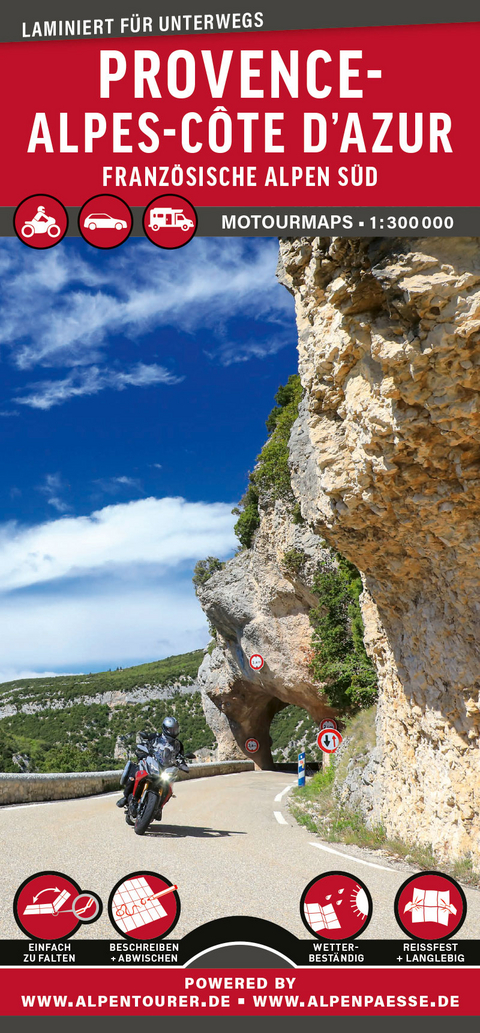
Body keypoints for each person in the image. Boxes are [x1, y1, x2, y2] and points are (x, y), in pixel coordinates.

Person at [115, 716, 185, 808]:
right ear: (165, 728)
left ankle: (160, 807)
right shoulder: (156, 737)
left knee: (169, 789)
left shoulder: (178, 745)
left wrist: (183, 764)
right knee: (135, 773)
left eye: (175, 729)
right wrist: (143, 748)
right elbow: (145, 741)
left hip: (166, 768)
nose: (173, 732)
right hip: (153, 762)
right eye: (171, 729)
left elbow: (181, 757)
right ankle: (126, 797)